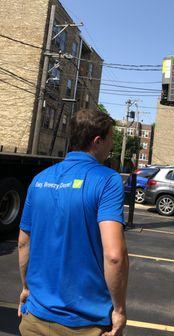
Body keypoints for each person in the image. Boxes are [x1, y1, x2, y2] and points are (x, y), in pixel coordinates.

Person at [18, 109, 129, 336]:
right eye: (110, 139)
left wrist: (26, 287)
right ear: (97, 141)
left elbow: (23, 243)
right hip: (84, 325)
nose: (112, 145)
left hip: (34, 319)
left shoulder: (39, 179)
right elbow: (114, 255)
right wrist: (119, 309)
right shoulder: (108, 180)